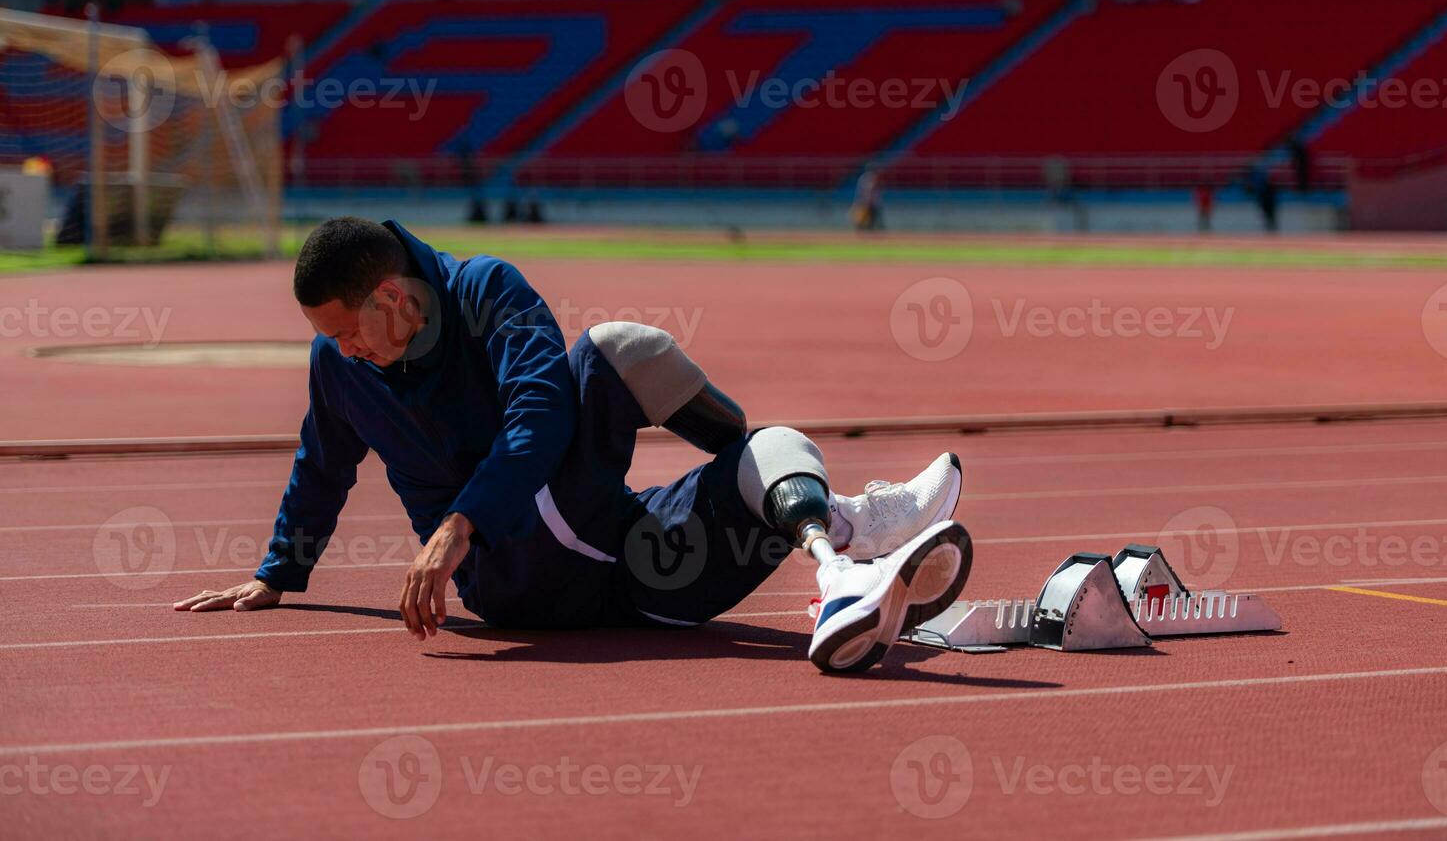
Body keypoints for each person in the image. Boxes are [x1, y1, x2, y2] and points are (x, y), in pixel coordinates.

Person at [173, 218, 971, 673]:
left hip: (638, 574)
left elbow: (540, 414)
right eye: (329, 338)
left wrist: (458, 521)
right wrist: (279, 572)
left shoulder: (485, 290)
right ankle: (848, 525)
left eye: (347, 331)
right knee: (618, 349)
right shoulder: (338, 369)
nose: (341, 349)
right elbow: (323, 462)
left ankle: (833, 540)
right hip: (515, 572)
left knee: (778, 441)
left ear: (390, 296)